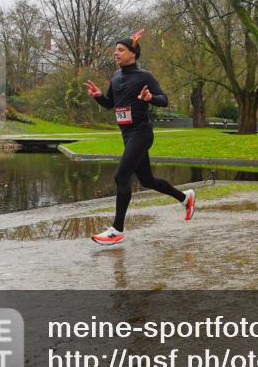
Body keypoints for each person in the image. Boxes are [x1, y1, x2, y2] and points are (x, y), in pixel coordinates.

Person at [83, 29, 195, 245]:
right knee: (147, 180)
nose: (115, 53)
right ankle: (185, 198)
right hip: (127, 135)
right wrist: (98, 97)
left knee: (120, 176)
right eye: (115, 50)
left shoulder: (145, 76)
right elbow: (111, 104)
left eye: (121, 50)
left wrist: (150, 97)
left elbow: (164, 100)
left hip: (142, 133)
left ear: (133, 54)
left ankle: (117, 230)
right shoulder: (115, 77)